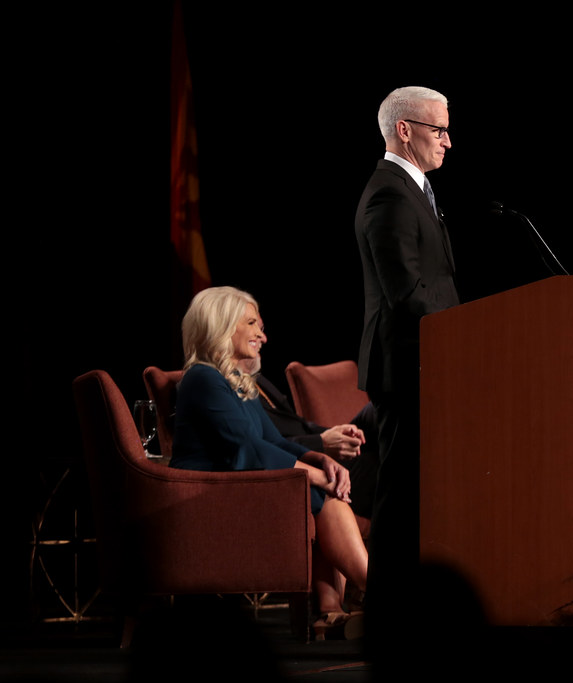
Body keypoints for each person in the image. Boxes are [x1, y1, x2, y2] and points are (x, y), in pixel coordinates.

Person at [170, 286, 368, 638]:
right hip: (211, 499)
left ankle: (333, 612)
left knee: (325, 494)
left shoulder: (237, 383)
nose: (263, 335)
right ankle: (372, 592)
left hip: (245, 486)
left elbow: (273, 441)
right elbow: (245, 448)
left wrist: (320, 458)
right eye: (252, 324)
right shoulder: (202, 378)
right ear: (222, 326)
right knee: (322, 493)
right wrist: (316, 476)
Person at [354, 85, 460, 655]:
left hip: (429, 365)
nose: (447, 140)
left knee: (420, 496)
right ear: (404, 130)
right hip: (405, 368)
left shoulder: (414, 190)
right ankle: (387, 622)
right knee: (399, 498)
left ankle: (405, 618)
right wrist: (467, 330)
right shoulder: (389, 197)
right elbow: (407, 293)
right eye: (438, 129)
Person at [239, 350, 379, 537]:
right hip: (308, 467)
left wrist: (331, 433)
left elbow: (297, 425)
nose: (262, 336)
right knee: (395, 463)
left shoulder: (254, 380)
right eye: (251, 324)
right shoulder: (219, 384)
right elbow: (266, 446)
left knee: (381, 409)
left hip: (316, 453)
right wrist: (320, 445)